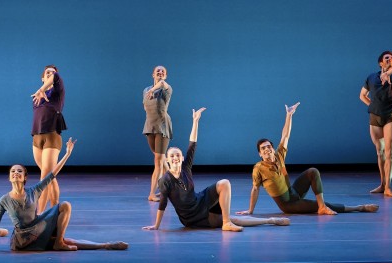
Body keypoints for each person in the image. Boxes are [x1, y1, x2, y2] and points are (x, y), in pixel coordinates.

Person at [144, 108, 290, 232]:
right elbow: (162, 203)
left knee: (224, 183)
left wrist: (195, 121)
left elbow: (192, 145)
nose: (175, 157)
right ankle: (270, 220)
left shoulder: (186, 168)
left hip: (200, 201)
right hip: (192, 217)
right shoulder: (165, 180)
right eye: (172, 156)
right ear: (168, 160)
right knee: (235, 219)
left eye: (177, 155)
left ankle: (227, 222)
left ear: (182, 158)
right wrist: (156, 226)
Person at [0, 138, 128, 251]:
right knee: (66, 240)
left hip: (37, 228)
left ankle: (105, 245)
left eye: (19, 171)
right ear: (9, 177)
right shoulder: (4, 199)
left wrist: (67, 154)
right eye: (13, 171)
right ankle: (63, 243)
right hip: (23, 239)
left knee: (65, 210)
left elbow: (52, 174)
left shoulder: (33, 191)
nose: (16, 173)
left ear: (25, 177)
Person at [237, 103, 379, 216]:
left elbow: (285, 136)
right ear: (260, 154)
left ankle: (322, 206)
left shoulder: (279, 155)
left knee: (312, 171)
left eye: (268, 146)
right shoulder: (259, 168)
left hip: (293, 192)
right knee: (320, 205)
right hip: (288, 205)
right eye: (263, 149)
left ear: (272, 148)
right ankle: (359, 208)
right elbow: (255, 189)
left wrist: (289, 115)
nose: (267, 149)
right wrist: (250, 211)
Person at [359, 51, 392, 197]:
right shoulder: (371, 77)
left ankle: (388, 187)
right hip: (375, 118)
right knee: (379, 152)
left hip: (390, 117)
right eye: (387, 58)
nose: (391, 59)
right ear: (381, 63)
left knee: (389, 152)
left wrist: (388, 73)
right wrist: (373, 106)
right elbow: (362, 95)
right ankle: (382, 184)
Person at [30, 65, 67, 213]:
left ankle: (39, 214)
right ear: (42, 78)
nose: (51, 74)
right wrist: (40, 92)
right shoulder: (37, 97)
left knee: (44, 178)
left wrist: (41, 89)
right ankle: (54, 209)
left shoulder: (58, 92)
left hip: (52, 136)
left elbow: (56, 78)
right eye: (47, 72)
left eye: (53, 72)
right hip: (37, 137)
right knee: (50, 177)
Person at [143, 65, 173, 202]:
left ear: (165, 76)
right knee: (160, 158)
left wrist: (154, 89)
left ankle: (152, 193)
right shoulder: (146, 90)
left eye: (162, 72)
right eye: (157, 71)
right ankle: (174, 183)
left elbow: (161, 84)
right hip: (150, 126)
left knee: (158, 161)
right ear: (152, 74)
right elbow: (145, 106)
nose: (160, 73)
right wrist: (150, 91)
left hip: (162, 127)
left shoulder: (166, 89)